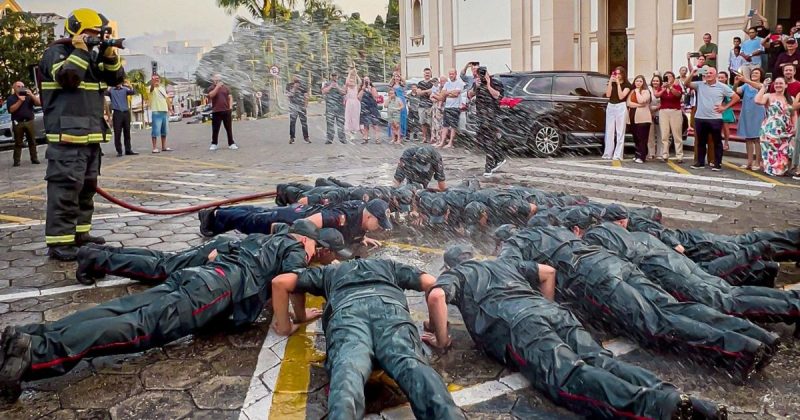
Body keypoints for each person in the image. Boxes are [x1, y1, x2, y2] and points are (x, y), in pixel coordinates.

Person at [0, 221, 345, 403]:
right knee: (134, 329)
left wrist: (301, 313)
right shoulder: (297, 248)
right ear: (306, 240)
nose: (317, 255)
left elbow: (282, 278)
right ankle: (35, 356)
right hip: (211, 292)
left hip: (200, 278)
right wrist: (290, 325)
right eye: (317, 249)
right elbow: (287, 283)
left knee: (120, 309)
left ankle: (31, 337)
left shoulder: (268, 239)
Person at [426, 245, 725, 420]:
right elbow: (548, 273)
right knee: (602, 360)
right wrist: (546, 308)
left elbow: (437, 297)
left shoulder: (459, 273)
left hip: (519, 326)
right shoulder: (505, 264)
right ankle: (681, 399)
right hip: (554, 314)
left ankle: (657, 407)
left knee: (567, 376)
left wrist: (441, 340)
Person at [500, 219, 777, 384]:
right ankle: (754, 333)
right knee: (672, 308)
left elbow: (533, 276)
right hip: (613, 263)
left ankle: (742, 350)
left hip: (598, 280)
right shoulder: (552, 230)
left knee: (656, 325)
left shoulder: (513, 248)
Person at [270, 259, 463, 420]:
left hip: (348, 314)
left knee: (348, 369)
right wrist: (437, 331)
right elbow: (432, 284)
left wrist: (291, 323)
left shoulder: (330, 271)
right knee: (412, 364)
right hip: (390, 312)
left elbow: (280, 282)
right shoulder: (389, 265)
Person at [584, 218, 800, 329]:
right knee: (730, 292)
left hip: (672, 266)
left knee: (727, 300)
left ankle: (793, 306)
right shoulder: (629, 232)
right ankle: (791, 300)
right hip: (680, 262)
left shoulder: (598, 241)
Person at [38, 8, 125, 261]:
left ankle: (80, 235)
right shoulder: (55, 53)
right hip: (67, 139)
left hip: (90, 138)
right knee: (65, 191)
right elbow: (69, 78)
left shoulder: (91, 57)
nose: (96, 38)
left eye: (99, 34)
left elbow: (116, 78)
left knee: (86, 190)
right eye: (90, 34)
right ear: (75, 32)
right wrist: (80, 50)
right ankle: (60, 243)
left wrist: (110, 55)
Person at [198, 198, 392, 249]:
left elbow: (353, 227)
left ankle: (221, 213)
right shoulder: (341, 216)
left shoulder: (361, 212)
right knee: (254, 221)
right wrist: (295, 242)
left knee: (259, 213)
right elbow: (306, 225)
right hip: (295, 219)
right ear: (369, 217)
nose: (381, 227)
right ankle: (213, 215)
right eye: (380, 223)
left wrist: (362, 237)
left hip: (301, 212)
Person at [683, 66, 740, 171]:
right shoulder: (700, 85)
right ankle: (700, 162)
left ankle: (717, 163)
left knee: (717, 142)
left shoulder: (722, 86)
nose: (708, 75)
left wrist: (724, 107)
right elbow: (686, 84)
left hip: (715, 118)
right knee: (700, 142)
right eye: (707, 73)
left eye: (711, 73)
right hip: (700, 117)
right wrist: (692, 73)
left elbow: (736, 97)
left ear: (716, 75)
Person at [468, 66, 506, 177]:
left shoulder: (495, 82)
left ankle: (488, 167)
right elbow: (470, 95)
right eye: (479, 74)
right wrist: (476, 87)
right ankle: (499, 157)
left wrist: (489, 84)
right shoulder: (477, 83)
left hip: (492, 116)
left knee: (490, 140)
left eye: (483, 73)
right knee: (480, 140)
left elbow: (497, 95)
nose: (482, 75)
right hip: (480, 115)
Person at [755, 76, 796, 177]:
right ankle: (771, 168)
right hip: (770, 128)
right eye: (776, 83)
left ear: (786, 85)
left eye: (781, 83)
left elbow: (793, 113)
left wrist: (795, 126)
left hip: (786, 128)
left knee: (786, 149)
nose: (778, 85)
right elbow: (757, 100)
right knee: (771, 150)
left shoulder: (791, 98)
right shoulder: (769, 96)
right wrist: (764, 87)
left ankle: (783, 168)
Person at [735, 68, 766, 170]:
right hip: (747, 113)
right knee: (748, 138)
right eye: (753, 73)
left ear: (761, 75)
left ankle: (758, 162)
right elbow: (736, 91)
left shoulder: (762, 85)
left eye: (757, 73)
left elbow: (759, 87)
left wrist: (746, 80)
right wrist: (736, 83)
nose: (754, 74)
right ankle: (749, 162)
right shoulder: (745, 85)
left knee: (757, 138)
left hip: (758, 113)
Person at [6, 81, 41, 166]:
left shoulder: (28, 96)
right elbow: (11, 110)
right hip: (18, 122)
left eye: (23, 86)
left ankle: (34, 158)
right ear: (14, 88)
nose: (21, 88)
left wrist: (32, 95)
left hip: (29, 121)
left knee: (32, 141)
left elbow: (38, 103)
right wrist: (20, 101)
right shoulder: (11, 98)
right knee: (18, 142)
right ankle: (16, 161)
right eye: (18, 86)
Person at [655, 71, 685, 163]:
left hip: (675, 111)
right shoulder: (661, 87)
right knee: (665, 134)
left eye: (669, 76)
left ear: (673, 78)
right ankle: (665, 155)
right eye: (666, 77)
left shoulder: (677, 86)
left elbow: (678, 95)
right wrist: (664, 88)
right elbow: (657, 95)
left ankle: (679, 155)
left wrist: (670, 87)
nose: (668, 78)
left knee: (677, 134)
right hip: (664, 111)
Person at [603, 66, 631, 161]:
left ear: (623, 74)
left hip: (620, 106)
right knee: (609, 131)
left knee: (620, 131)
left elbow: (621, 96)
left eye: (619, 74)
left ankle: (618, 154)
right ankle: (608, 153)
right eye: (616, 73)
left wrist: (618, 84)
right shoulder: (612, 83)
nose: (617, 76)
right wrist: (611, 82)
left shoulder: (627, 85)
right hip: (611, 106)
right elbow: (608, 95)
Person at [105, 81, 136, 157]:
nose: (118, 83)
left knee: (127, 132)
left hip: (126, 112)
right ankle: (119, 151)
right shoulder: (111, 90)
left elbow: (133, 92)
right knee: (117, 133)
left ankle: (128, 150)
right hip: (117, 113)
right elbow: (104, 92)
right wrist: (108, 87)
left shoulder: (125, 89)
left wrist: (130, 85)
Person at [206, 74, 237, 151]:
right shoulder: (211, 88)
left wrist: (230, 107)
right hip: (216, 111)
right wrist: (217, 87)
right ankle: (214, 143)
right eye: (216, 78)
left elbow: (230, 97)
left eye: (219, 78)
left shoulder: (226, 87)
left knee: (229, 128)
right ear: (213, 79)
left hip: (226, 111)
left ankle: (231, 143)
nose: (218, 80)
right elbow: (211, 95)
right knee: (215, 129)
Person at [627, 75, 652, 164]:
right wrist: (638, 105)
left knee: (642, 138)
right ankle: (637, 154)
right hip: (633, 116)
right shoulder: (632, 91)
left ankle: (642, 156)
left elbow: (642, 100)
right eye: (637, 81)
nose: (638, 83)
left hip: (643, 118)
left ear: (643, 82)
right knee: (636, 137)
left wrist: (638, 92)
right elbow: (628, 103)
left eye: (640, 81)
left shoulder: (646, 91)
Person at [439, 68, 465, 149]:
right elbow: (442, 94)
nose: (451, 75)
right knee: (445, 125)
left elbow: (456, 94)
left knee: (453, 126)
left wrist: (447, 93)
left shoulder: (459, 83)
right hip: (447, 107)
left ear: (456, 74)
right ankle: (442, 142)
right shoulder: (447, 83)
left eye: (452, 74)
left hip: (455, 107)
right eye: (450, 74)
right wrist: (449, 93)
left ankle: (450, 143)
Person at [321, 72, 347, 145]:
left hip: (340, 107)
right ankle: (329, 139)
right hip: (330, 107)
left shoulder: (341, 83)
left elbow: (344, 92)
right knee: (329, 124)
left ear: (337, 76)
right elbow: (323, 91)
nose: (334, 77)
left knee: (341, 123)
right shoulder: (327, 83)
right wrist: (331, 86)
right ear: (331, 76)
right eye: (333, 76)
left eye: (335, 76)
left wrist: (337, 87)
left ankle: (342, 138)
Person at [148, 74, 171, 153]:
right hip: (156, 111)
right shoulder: (152, 88)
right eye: (155, 79)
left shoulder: (162, 88)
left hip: (164, 111)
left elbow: (166, 98)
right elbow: (151, 89)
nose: (157, 80)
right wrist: (153, 83)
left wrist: (169, 108)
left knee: (164, 130)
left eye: (158, 78)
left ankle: (164, 146)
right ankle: (154, 147)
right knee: (155, 131)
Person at [286, 75, 310, 144]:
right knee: (292, 122)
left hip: (301, 106)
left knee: (304, 122)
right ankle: (292, 137)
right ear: (292, 78)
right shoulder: (289, 85)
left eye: (297, 77)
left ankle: (306, 137)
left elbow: (306, 96)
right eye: (294, 77)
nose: (296, 78)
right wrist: (294, 88)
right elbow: (289, 95)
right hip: (293, 106)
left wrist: (305, 105)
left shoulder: (303, 86)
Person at [358, 76, 381, 144]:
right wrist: (363, 89)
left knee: (375, 124)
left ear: (370, 81)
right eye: (365, 80)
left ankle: (377, 138)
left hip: (372, 107)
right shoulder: (361, 89)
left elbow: (376, 97)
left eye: (367, 80)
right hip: (365, 108)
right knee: (365, 124)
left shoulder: (372, 88)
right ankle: (365, 138)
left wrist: (370, 89)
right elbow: (358, 97)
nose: (366, 81)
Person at [718, 71, 736, 152]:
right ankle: (718, 142)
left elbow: (733, 97)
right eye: (719, 77)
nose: (720, 79)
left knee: (725, 127)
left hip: (726, 108)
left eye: (722, 77)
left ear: (726, 78)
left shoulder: (729, 87)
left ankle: (726, 142)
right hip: (717, 108)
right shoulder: (716, 87)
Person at [416, 68, 435, 143]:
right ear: (423, 74)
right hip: (422, 105)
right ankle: (424, 138)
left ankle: (432, 138)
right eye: (426, 73)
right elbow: (418, 93)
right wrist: (427, 91)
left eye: (428, 73)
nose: (427, 74)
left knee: (431, 122)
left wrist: (423, 91)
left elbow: (432, 92)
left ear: (431, 74)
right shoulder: (420, 83)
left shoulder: (433, 83)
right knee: (422, 122)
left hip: (430, 105)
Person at [647, 74, 662, 160]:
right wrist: (652, 110)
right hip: (650, 112)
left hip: (660, 113)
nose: (655, 82)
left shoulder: (663, 89)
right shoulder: (649, 89)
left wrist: (657, 108)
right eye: (654, 81)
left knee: (661, 134)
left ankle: (660, 153)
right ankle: (651, 153)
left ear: (660, 82)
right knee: (650, 134)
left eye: (657, 81)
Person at [343, 69, 361, 140]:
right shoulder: (347, 88)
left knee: (355, 117)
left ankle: (354, 130)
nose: (351, 82)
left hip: (356, 103)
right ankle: (350, 132)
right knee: (349, 117)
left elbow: (360, 82)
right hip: (349, 103)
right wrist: (349, 74)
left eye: (353, 81)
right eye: (350, 81)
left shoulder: (356, 87)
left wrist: (356, 74)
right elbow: (347, 82)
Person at [389, 72, 408, 138]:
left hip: (401, 100)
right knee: (393, 117)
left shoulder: (402, 85)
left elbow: (405, 82)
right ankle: (394, 134)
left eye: (398, 77)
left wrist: (399, 75)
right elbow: (389, 84)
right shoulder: (392, 85)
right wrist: (393, 76)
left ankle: (401, 133)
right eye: (395, 77)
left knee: (401, 117)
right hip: (394, 101)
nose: (397, 78)